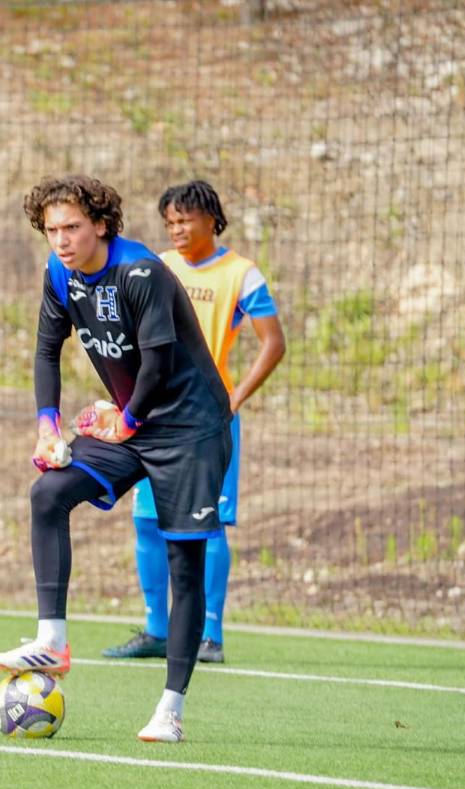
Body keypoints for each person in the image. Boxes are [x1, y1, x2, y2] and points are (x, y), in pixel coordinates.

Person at [0, 175, 234, 742]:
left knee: (184, 563)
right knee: (48, 492)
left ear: (100, 223)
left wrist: (127, 419)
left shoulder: (139, 270)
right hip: (131, 424)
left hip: (190, 428)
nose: (62, 240)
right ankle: (51, 642)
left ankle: (170, 708)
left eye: (72, 227)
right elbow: (48, 348)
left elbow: (158, 364)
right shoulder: (58, 273)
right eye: (52, 231)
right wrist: (47, 425)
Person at [102, 180, 284, 665]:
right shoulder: (156, 267)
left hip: (207, 417)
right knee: (146, 521)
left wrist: (236, 396)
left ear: (213, 220)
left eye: (186, 220)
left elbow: (274, 343)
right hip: (155, 414)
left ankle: (211, 635)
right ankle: (157, 629)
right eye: (170, 222)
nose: (177, 229)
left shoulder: (241, 274)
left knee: (208, 524)